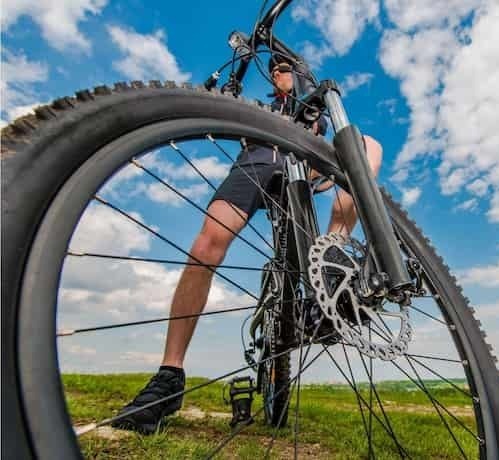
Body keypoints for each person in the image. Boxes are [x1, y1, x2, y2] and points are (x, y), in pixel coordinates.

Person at [112, 56, 383, 434]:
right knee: (207, 246)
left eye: (285, 65)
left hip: (302, 164)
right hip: (254, 163)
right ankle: (169, 375)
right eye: (273, 68)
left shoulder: (313, 111)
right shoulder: (261, 107)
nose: (277, 70)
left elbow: (335, 140)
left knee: (367, 145)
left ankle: (334, 256)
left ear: (301, 73)